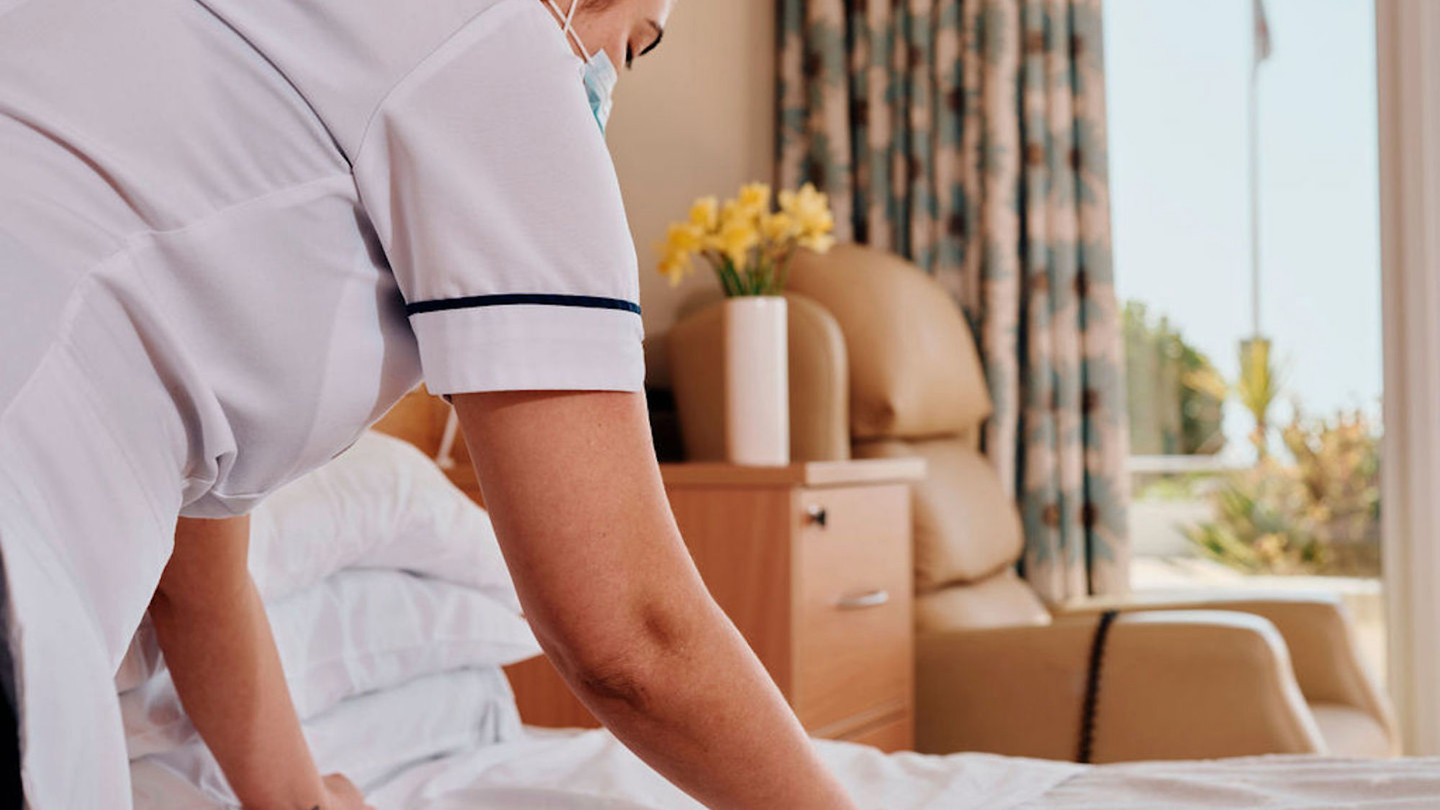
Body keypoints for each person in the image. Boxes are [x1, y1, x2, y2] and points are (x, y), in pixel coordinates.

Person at [0, 0, 860, 807]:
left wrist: (299, 798)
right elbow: (631, 634)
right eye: (629, 46)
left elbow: (197, 578)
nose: (606, 79)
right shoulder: (500, 49)